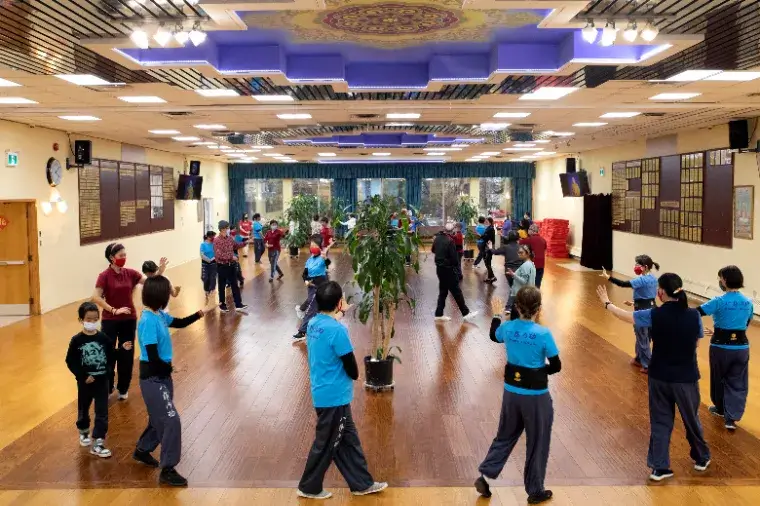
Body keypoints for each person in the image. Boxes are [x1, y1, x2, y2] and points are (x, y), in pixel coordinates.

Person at [597, 273, 711, 481]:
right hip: (685, 378)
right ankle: (701, 458)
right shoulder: (694, 315)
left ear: (660, 292)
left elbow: (626, 316)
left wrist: (606, 304)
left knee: (660, 421)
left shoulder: (654, 314)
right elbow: (695, 344)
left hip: (659, 376)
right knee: (691, 419)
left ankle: (660, 468)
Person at [297, 281, 388, 499]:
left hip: (325, 393)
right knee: (327, 444)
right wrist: (341, 313)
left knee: (348, 440)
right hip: (333, 398)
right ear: (339, 303)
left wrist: (338, 312)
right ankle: (309, 486)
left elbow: (328, 330)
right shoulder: (337, 330)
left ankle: (361, 483)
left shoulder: (313, 324)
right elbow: (352, 368)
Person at [475, 286, 560, 504]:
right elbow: (556, 366)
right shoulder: (543, 334)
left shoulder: (508, 328)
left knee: (505, 435)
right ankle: (535, 490)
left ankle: (485, 475)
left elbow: (494, 336)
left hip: (511, 394)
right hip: (536, 397)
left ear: (516, 307)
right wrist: (539, 373)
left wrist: (495, 315)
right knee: (538, 441)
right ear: (538, 309)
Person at [133, 275, 215, 487]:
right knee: (170, 419)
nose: (170, 295)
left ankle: (142, 449)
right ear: (159, 294)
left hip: (162, 376)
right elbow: (151, 355)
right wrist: (171, 367)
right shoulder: (147, 321)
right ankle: (167, 469)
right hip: (153, 377)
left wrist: (200, 313)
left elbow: (177, 322)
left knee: (158, 417)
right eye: (167, 292)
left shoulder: (158, 314)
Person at [92, 243, 167, 400]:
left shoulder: (130, 273)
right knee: (109, 353)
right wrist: (113, 309)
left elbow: (150, 281)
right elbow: (96, 297)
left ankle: (123, 388)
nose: (124, 258)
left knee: (126, 354)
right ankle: (108, 385)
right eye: (121, 256)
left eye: (125, 255)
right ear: (112, 258)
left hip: (128, 320)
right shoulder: (104, 276)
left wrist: (160, 271)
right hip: (110, 321)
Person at [697, 265, 753, 431]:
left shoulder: (718, 301)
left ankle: (720, 409)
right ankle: (732, 418)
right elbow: (744, 326)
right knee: (738, 382)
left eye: (720, 278)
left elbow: (695, 313)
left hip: (720, 348)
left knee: (719, 379)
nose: (719, 281)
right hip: (742, 348)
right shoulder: (748, 303)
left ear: (725, 280)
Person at [66, 302, 114, 458]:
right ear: (81, 319)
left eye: (95, 319)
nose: (92, 322)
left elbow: (111, 356)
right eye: (88, 319)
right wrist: (83, 376)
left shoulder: (103, 338)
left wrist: (123, 350)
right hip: (85, 383)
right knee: (83, 408)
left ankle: (98, 442)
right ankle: (84, 430)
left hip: (102, 382)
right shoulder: (76, 340)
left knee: (102, 411)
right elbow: (70, 361)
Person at [602, 255, 660, 373]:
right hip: (652, 307)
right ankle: (639, 358)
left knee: (642, 336)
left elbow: (623, 284)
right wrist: (634, 302)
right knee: (645, 336)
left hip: (642, 310)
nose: (635, 267)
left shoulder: (641, 280)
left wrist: (608, 277)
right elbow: (648, 296)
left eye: (638, 265)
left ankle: (648, 365)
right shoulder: (653, 279)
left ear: (645, 267)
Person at [432, 224, 478, 323]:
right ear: (452, 231)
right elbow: (454, 259)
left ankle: (438, 314)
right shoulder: (450, 241)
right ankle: (465, 313)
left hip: (439, 269)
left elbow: (433, 250)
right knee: (456, 292)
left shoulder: (437, 238)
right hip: (448, 270)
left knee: (443, 291)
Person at [293, 236, 333, 342]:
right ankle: (302, 311)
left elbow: (328, 264)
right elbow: (304, 274)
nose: (312, 247)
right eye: (311, 245)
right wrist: (306, 281)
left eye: (315, 245)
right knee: (313, 305)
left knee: (312, 308)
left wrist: (325, 258)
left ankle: (302, 331)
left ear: (319, 247)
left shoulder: (322, 258)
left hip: (321, 286)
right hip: (311, 286)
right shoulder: (309, 260)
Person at [213, 220, 249, 313]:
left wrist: (246, 242)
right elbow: (218, 255)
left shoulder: (229, 238)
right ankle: (222, 306)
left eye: (228, 228)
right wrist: (231, 257)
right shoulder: (217, 240)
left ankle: (238, 304)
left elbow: (236, 246)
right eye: (227, 228)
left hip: (231, 266)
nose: (229, 229)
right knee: (222, 287)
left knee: (235, 285)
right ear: (222, 229)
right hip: (222, 266)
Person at [490, 231, 523, 304]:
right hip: (519, 270)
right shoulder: (521, 247)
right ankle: (516, 303)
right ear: (518, 238)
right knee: (516, 287)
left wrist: (490, 248)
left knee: (513, 287)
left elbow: (495, 252)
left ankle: (511, 305)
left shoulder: (506, 247)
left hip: (508, 271)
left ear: (508, 238)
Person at [505, 245, 536, 318]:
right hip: (526, 294)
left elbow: (524, 281)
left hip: (521, 294)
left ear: (527, 253)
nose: (519, 254)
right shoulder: (530, 263)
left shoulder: (526, 265)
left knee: (515, 317)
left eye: (521, 253)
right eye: (518, 253)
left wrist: (513, 275)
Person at [519, 224, 547, 288]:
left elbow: (519, 243)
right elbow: (544, 249)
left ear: (532, 231)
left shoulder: (529, 239)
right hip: (541, 265)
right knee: (537, 284)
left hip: (532, 264)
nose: (528, 231)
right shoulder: (543, 240)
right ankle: (536, 296)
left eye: (529, 229)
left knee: (529, 284)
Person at [200, 231, 217, 303]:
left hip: (213, 263)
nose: (213, 238)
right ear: (208, 237)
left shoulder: (214, 244)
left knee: (212, 277)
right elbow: (202, 254)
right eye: (212, 237)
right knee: (205, 278)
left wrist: (213, 258)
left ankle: (212, 290)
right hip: (205, 264)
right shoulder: (203, 244)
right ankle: (206, 290)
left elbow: (217, 252)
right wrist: (208, 260)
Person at [482, 217, 497, 283]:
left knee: (487, 262)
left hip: (489, 247)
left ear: (490, 222)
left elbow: (487, 238)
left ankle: (492, 277)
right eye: (485, 221)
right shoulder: (489, 228)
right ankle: (490, 277)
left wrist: (481, 236)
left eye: (487, 221)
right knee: (487, 262)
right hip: (488, 246)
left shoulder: (490, 229)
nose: (485, 222)